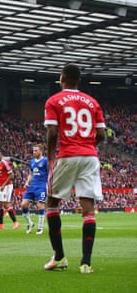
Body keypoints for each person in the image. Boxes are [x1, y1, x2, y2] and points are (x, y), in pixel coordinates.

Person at [43, 64, 105, 274]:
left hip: (68, 154)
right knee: (88, 208)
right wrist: (88, 147)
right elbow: (102, 135)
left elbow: (52, 132)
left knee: (51, 202)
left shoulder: (54, 101)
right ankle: (86, 262)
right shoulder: (93, 102)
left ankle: (59, 257)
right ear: (78, 80)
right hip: (90, 156)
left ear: (62, 78)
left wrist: (51, 158)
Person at [21, 144, 48, 235]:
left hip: (42, 186)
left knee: (40, 205)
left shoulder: (45, 161)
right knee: (24, 205)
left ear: (41, 151)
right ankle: (30, 223)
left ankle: (40, 228)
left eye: (36, 150)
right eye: (33, 150)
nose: (34, 152)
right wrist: (27, 182)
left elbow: (50, 173)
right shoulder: (32, 161)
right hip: (32, 186)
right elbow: (31, 173)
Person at [0, 151, 19, 230]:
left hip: (7, 186)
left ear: (1, 155)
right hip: (0, 186)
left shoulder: (5, 163)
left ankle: (15, 222)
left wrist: (4, 185)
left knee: (6, 204)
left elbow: (11, 175)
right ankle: (0, 225)